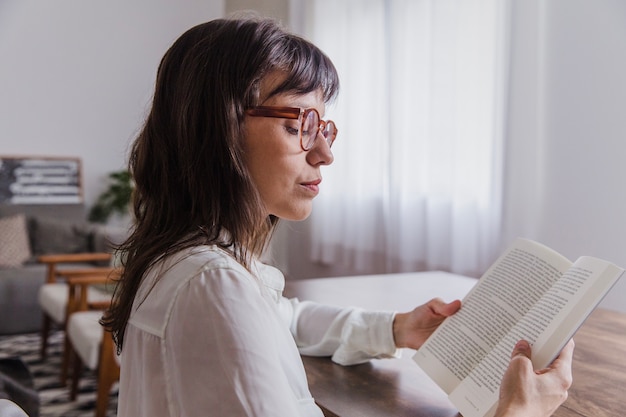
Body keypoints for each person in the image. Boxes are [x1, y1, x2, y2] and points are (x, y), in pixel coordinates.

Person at [102, 16, 574, 417]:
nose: (325, 154)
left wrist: (396, 329)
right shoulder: (212, 284)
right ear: (218, 126)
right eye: (300, 124)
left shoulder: (190, 261)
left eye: (324, 127)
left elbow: (284, 317)